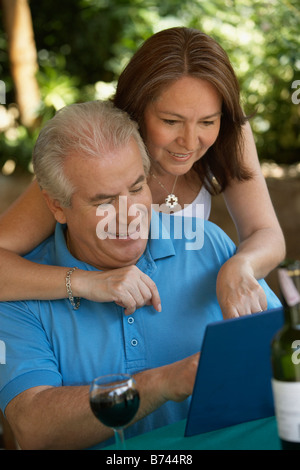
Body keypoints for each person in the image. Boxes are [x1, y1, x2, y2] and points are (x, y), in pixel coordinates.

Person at [0, 101, 281, 450]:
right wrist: (161, 383)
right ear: (57, 205)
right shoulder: (19, 294)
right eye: (103, 201)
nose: (129, 215)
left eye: (136, 189)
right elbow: (33, 427)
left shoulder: (207, 243)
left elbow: (282, 352)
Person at [0, 27, 285, 318]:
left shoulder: (229, 134)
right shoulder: (98, 150)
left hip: (179, 316)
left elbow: (265, 233)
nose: (189, 141)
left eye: (207, 121)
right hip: (90, 321)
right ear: (137, 108)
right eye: (171, 121)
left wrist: (241, 265)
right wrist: (82, 282)